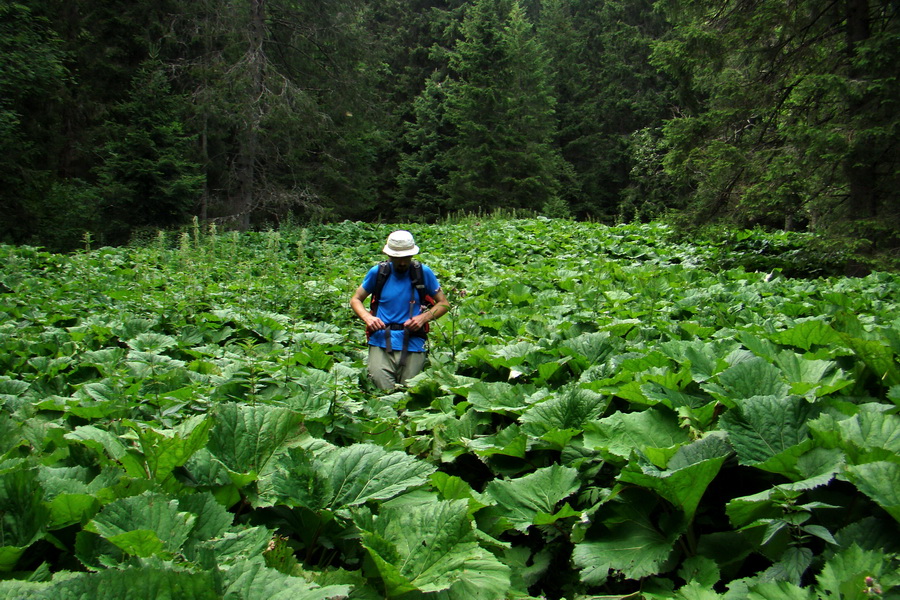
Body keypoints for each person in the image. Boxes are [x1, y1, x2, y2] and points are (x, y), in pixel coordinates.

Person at [350, 230, 450, 389]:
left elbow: (444, 303)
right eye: (397, 258)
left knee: (410, 394)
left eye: (406, 258)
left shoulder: (423, 272)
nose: (402, 262)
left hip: (413, 341)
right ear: (389, 256)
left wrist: (423, 318)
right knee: (382, 391)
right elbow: (356, 299)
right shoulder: (379, 272)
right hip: (381, 339)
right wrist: (367, 318)